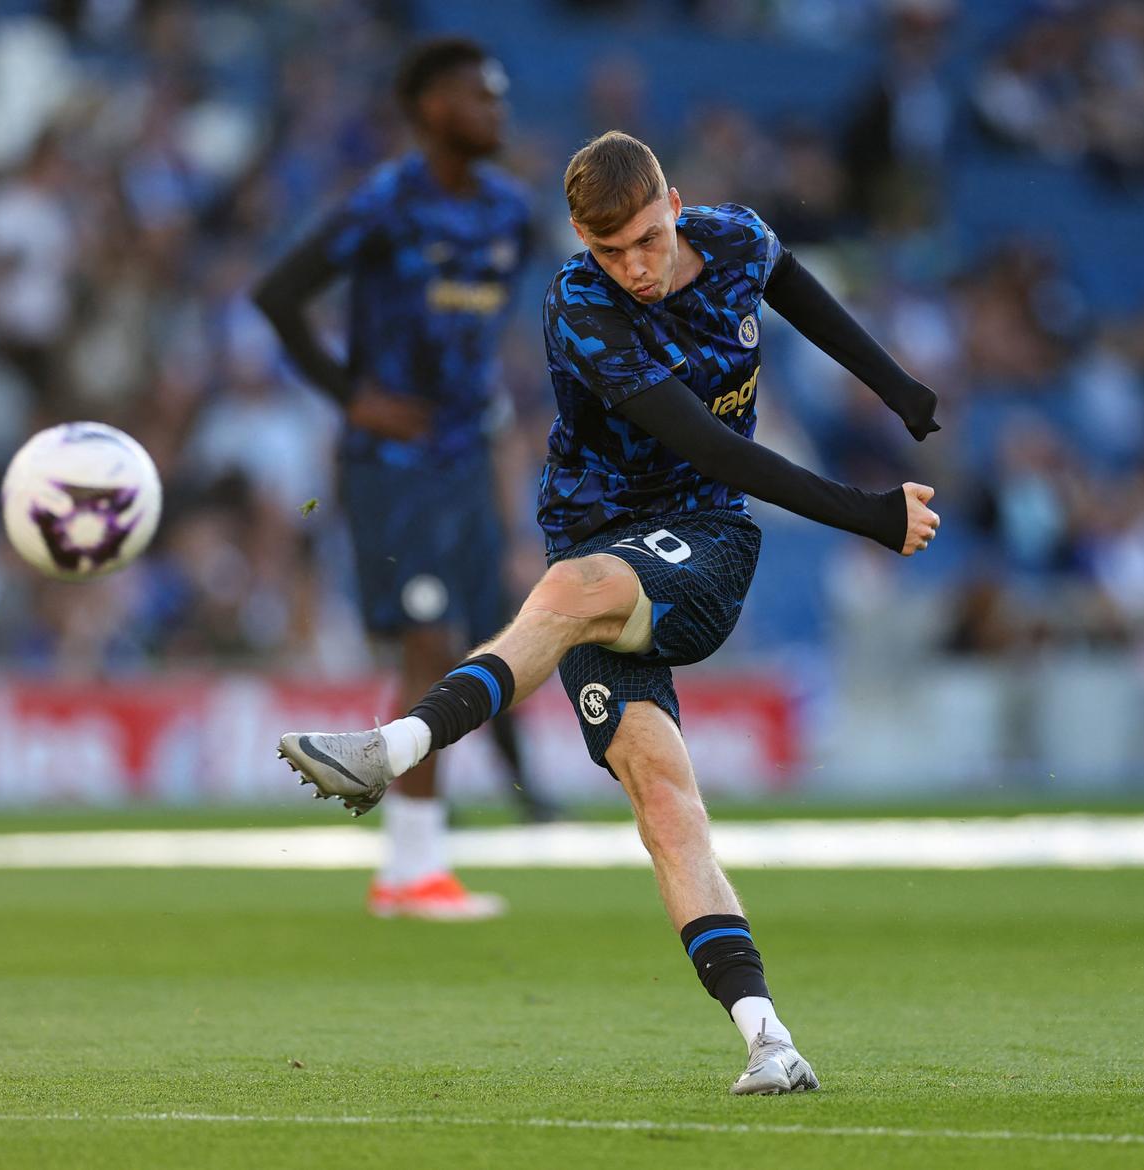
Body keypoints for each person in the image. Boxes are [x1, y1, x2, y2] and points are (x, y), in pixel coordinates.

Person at [278, 130, 942, 1094]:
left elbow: (799, 299)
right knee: (664, 804)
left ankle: (395, 748)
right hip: (603, 549)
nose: (631, 267)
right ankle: (769, 1039)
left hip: (704, 545)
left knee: (570, 591)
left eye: (642, 240)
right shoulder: (580, 308)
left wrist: (899, 390)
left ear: (673, 202)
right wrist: (869, 515)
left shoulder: (740, 240)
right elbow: (714, 444)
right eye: (608, 250)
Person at [252, 38, 546, 923]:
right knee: (431, 637)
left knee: (463, 643)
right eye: (477, 97)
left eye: (500, 96)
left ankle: (412, 855)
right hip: (391, 461)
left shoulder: (511, 211)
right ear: (429, 109)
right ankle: (413, 868)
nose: (496, 110)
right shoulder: (386, 202)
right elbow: (279, 295)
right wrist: (355, 396)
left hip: (465, 456)